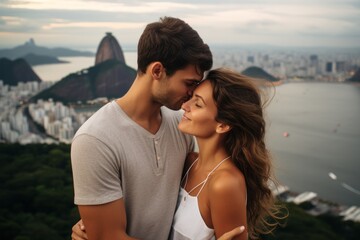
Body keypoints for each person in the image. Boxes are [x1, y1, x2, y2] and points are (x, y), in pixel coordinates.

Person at [71, 17, 244, 240]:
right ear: (157, 71)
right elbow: (108, 237)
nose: (191, 95)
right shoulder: (95, 139)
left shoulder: (179, 124)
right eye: (189, 83)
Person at [169, 68, 283, 240]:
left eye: (197, 104)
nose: (185, 106)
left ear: (222, 125)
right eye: (190, 98)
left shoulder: (225, 183)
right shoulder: (188, 161)